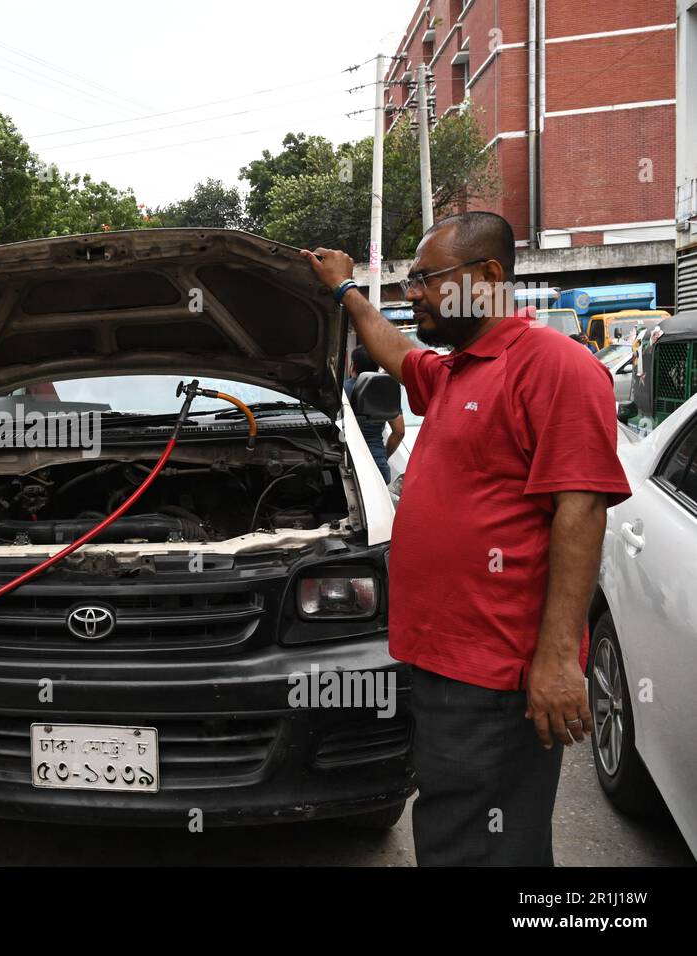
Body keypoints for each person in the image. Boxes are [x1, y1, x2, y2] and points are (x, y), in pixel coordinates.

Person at [303, 211, 631, 866]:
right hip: (444, 663)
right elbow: (394, 353)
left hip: (496, 672)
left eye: (426, 279)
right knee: (467, 830)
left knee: (475, 843)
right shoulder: (457, 370)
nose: (413, 292)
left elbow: (581, 512)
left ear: (485, 277)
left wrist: (555, 661)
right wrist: (345, 291)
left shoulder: (553, 367)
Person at [343, 345, 403, 482]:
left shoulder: (342, 391)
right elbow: (399, 431)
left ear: (353, 366)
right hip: (378, 466)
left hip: (350, 467)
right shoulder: (386, 392)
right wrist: (383, 456)